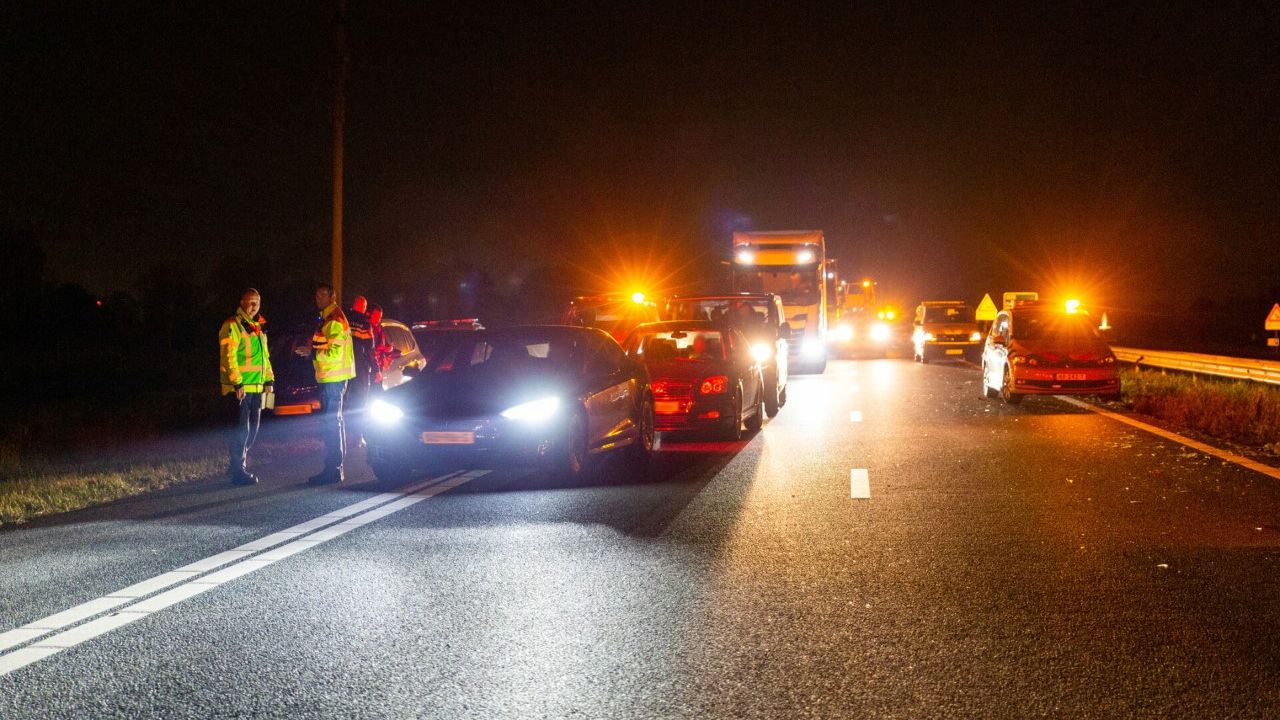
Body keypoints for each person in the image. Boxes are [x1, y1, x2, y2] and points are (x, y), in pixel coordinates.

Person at [298, 283, 355, 484]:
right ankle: (333, 468)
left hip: (334, 379)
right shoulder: (327, 318)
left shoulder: (334, 319)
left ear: (333, 296)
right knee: (332, 423)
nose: (318, 298)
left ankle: (333, 469)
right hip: (328, 377)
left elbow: (334, 352)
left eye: (323, 295)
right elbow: (326, 345)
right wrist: (310, 347)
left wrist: (311, 353)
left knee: (332, 423)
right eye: (317, 295)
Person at [218, 288, 274, 485]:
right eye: (250, 303)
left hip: (257, 387)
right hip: (241, 387)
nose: (253, 307)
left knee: (253, 429)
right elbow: (228, 355)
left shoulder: (257, 326)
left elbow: (264, 357)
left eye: (256, 303)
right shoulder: (232, 325)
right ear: (241, 302)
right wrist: (237, 381)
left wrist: (269, 379)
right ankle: (237, 470)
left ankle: (236, 464)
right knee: (242, 430)